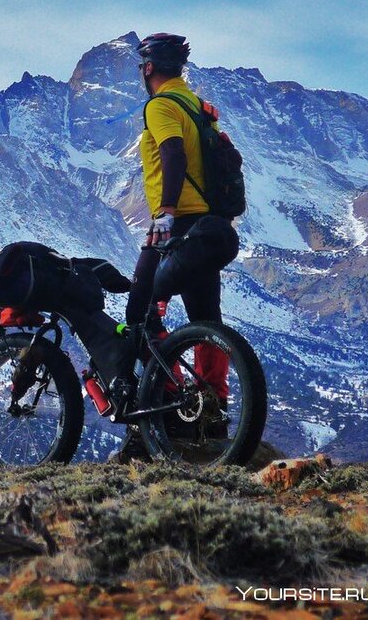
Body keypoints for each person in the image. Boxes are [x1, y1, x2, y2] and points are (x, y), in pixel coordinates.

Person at [115, 32, 231, 460]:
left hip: (176, 224)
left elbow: (174, 155)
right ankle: (212, 409)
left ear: (148, 68)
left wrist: (164, 212)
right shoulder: (199, 107)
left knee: (138, 313)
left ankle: (161, 403)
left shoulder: (161, 105)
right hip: (205, 224)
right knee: (207, 319)